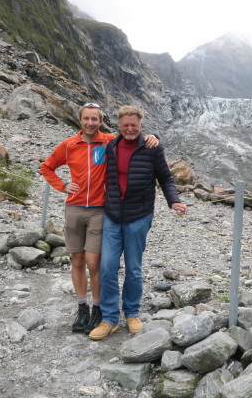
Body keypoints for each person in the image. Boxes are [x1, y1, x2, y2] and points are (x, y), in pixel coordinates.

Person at [40, 103, 159, 334]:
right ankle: (82, 307)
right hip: (74, 208)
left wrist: (154, 137)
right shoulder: (68, 145)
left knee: (95, 263)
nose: (90, 123)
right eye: (87, 119)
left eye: (95, 119)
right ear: (80, 120)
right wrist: (63, 186)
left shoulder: (108, 141)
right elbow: (47, 167)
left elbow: (131, 135)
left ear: (100, 120)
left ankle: (99, 309)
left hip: (98, 210)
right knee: (77, 261)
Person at [89, 105, 187, 341]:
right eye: (125, 125)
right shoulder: (111, 145)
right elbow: (88, 139)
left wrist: (173, 200)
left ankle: (132, 313)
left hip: (139, 217)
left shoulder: (152, 147)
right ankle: (110, 318)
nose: (130, 128)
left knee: (133, 269)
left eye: (134, 125)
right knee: (108, 267)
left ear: (141, 125)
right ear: (119, 126)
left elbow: (165, 177)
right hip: (113, 215)